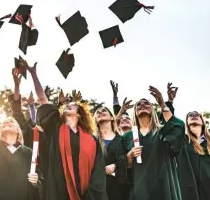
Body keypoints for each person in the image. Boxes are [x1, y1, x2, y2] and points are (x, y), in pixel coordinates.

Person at [24, 61, 107, 200]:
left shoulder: (92, 140)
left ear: (79, 113)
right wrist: (33, 74)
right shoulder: (55, 127)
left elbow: (97, 171)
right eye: (66, 105)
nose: (68, 105)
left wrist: (90, 196)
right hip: (58, 191)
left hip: (86, 194)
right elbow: (42, 98)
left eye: (72, 105)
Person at [116, 86, 185, 200]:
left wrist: (163, 104)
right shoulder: (127, 137)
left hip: (164, 186)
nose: (142, 105)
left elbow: (178, 129)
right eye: (138, 104)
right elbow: (119, 164)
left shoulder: (164, 131)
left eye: (146, 103)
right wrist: (129, 157)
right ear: (134, 112)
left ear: (153, 110)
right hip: (139, 188)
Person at [94, 106, 125, 200]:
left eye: (104, 110)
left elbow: (129, 161)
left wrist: (116, 166)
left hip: (118, 189)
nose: (100, 112)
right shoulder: (91, 140)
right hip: (96, 188)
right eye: (98, 112)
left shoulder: (122, 140)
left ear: (112, 117)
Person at [177, 111, 210, 200]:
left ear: (202, 121)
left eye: (197, 115)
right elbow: (171, 128)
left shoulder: (209, 142)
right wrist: (168, 104)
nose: (193, 116)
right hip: (188, 190)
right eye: (190, 115)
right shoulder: (182, 141)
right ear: (186, 122)